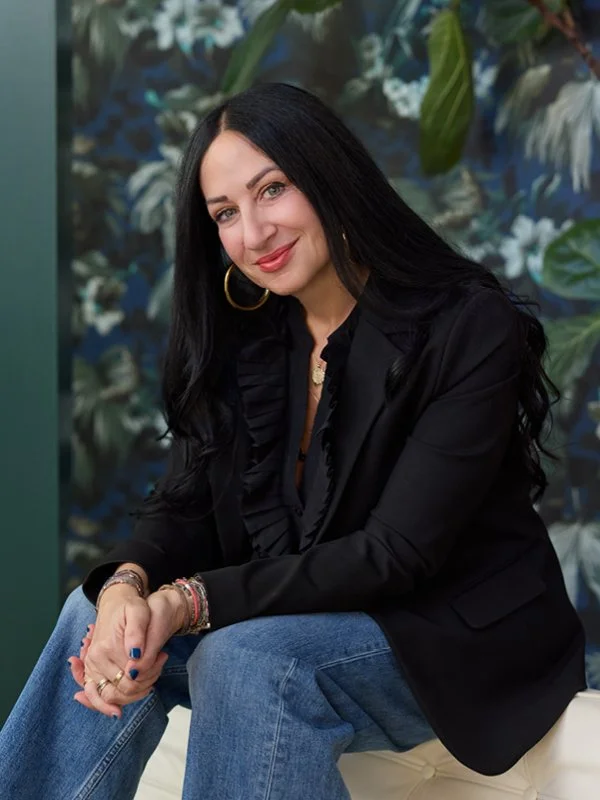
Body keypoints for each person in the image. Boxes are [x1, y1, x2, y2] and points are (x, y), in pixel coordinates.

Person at [0, 82, 586, 799]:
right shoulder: (243, 334)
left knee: (246, 658)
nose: (253, 233)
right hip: (306, 613)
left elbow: (396, 554)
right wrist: (128, 586)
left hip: (456, 632)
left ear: (327, 175)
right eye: (226, 213)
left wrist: (184, 602)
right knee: (93, 615)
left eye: (272, 189)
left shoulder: (468, 325)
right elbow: (183, 505)